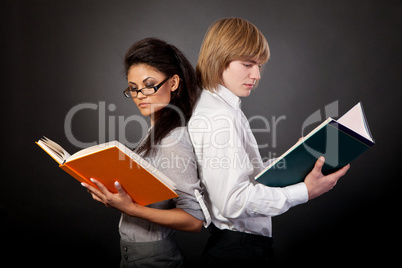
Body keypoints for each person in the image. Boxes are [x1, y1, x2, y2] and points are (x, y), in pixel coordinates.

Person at [188, 18, 350, 267]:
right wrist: (304, 192)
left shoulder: (222, 107)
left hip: (237, 247)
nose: (257, 75)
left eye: (260, 66)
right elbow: (233, 202)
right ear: (219, 59)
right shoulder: (220, 116)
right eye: (248, 64)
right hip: (238, 252)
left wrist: (296, 157)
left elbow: (244, 174)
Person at [82, 38, 208, 268]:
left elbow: (194, 220)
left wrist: (130, 209)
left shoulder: (172, 139)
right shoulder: (156, 133)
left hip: (155, 260)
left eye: (149, 84)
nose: (140, 94)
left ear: (173, 83)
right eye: (133, 88)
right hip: (138, 256)